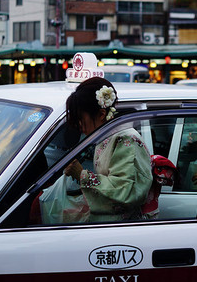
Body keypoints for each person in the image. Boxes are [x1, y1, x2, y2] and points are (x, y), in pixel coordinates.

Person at [63, 77, 152, 222]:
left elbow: (125, 190)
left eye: (81, 118)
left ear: (101, 114)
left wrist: (82, 175)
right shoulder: (105, 136)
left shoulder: (125, 139)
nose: (79, 125)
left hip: (121, 227)